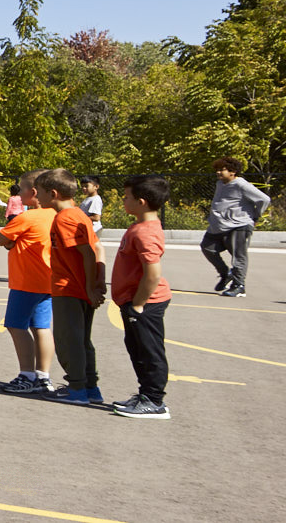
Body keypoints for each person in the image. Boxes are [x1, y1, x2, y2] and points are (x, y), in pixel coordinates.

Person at [36, 168, 105, 405]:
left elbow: (87, 253)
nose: (37, 197)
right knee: (82, 340)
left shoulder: (65, 218)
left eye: (40, 193)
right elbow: (96, 249)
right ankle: (90, 387)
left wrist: (90, 287)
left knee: (68, 340)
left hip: (69, 288)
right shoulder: (78, 215)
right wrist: (96, 284)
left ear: (53, 193)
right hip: (78, 288)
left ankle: (77, 389)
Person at [111, 175, 174, 419]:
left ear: (142, 201)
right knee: (136, 348)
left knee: (149, 351)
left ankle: (155, 401)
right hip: (133, 301)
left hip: (146, 303)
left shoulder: (146, 232)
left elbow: (153, 274)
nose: (123, 200)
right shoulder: (139, 226)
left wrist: (138, 305)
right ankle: (145, 394)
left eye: (126, 197)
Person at [0, 172, 56, 394]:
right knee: (42, 327)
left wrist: (12, 243)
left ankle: (27, 374)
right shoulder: (55, 215)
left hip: (26, 281)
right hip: (47, 280)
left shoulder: (26, 217)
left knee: (16, 325)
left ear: (34, 192)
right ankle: (43, 376)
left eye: (21, 188)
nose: (18, 192)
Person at [201, 156, 271, 299]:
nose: (218, 173)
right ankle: (225, 274)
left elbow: (264, 199)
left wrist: (255, 216)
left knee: (239, 256)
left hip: (239, 225)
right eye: (217, 170)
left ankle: (239, 286)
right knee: (207, 247)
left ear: (232, 172)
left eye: (222, 170)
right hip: (218, 226)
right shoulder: (220, 184)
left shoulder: (241, 184)